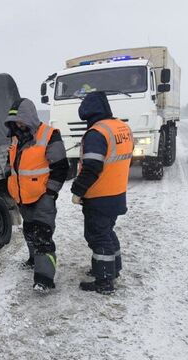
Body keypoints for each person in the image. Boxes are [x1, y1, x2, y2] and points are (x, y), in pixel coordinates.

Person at [70, 91, 133, 295]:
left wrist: (78, 190)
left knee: (98, 236)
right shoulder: (121, 127)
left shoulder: (97, 133)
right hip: (117, 192)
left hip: (99, 195)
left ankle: (104, 281)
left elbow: (92, 167)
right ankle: (113, 269)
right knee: (107, 232)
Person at [5, 98, 69, 292]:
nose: (18, 125)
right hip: (23, 198)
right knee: (30, 231)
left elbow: (61, 167)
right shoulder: (16, 138)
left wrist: (50, 193)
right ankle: (34, 260)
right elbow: (11, 163)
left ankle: (44, 279)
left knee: (43, 236)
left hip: (43, 197)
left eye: (21, 121)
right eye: (15, 122)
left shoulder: (50, 135)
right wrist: (8, 177)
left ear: (30, 117)